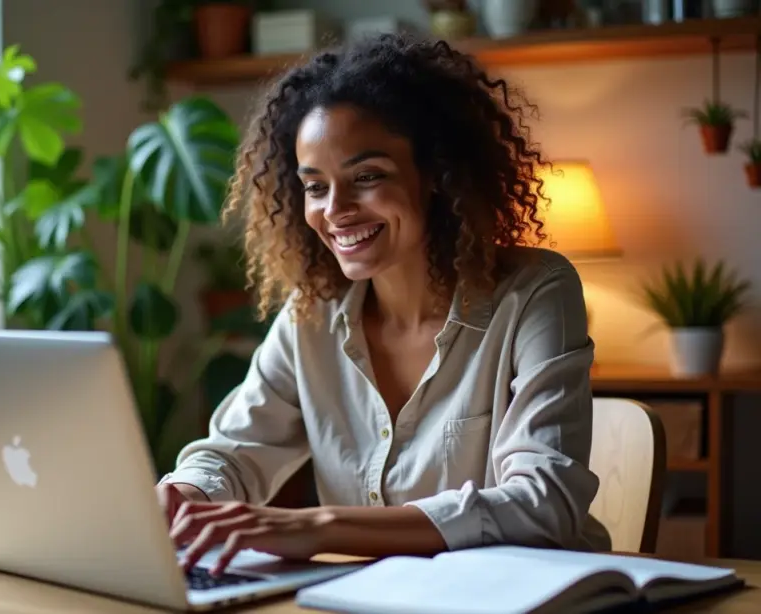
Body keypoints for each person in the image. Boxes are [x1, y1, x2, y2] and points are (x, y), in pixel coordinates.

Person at [156, 32, 611, 576]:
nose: (336, 210)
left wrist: (320, 527)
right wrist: (184, 494)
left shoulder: (534, 292)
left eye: (367, 177)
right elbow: (231, 451)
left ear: (438, 176)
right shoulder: (312, 314)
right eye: (315, 186)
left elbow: (545, 502)